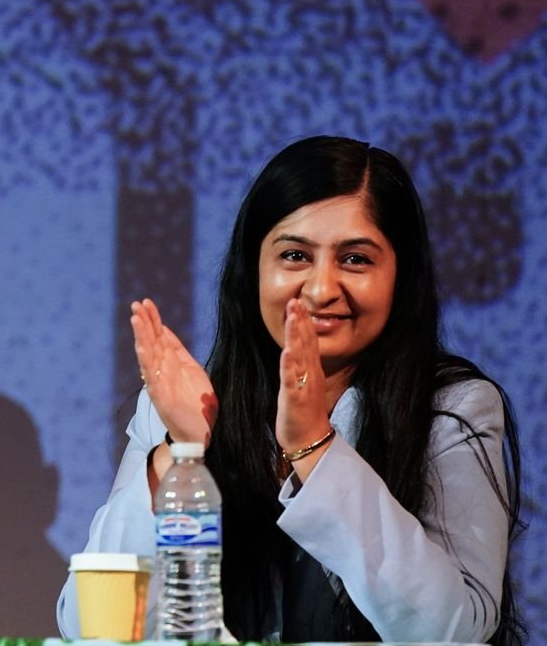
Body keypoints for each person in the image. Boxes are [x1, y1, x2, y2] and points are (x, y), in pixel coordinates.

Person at [56, 136, 523, 644]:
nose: (322, 289)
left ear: (400, 277)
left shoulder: (453, 409)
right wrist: (180, 452)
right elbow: (94, 629)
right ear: (253, 269)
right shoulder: (184, 405)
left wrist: (315, 449)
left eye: (356, 260)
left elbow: (451, 632)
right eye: (296, 255)